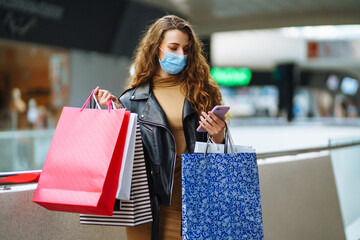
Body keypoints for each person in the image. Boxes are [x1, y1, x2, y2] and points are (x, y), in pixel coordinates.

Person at [94, 15, 226, 240]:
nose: (181, 55)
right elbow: (123, 154)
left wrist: (219, 136)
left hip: (194, 198)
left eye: (186, 49)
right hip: (146, 203)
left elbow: (219, 148)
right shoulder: (131, 99)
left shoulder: (203, 94)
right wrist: (113, 113)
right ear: (156, 49)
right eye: (174, 48)